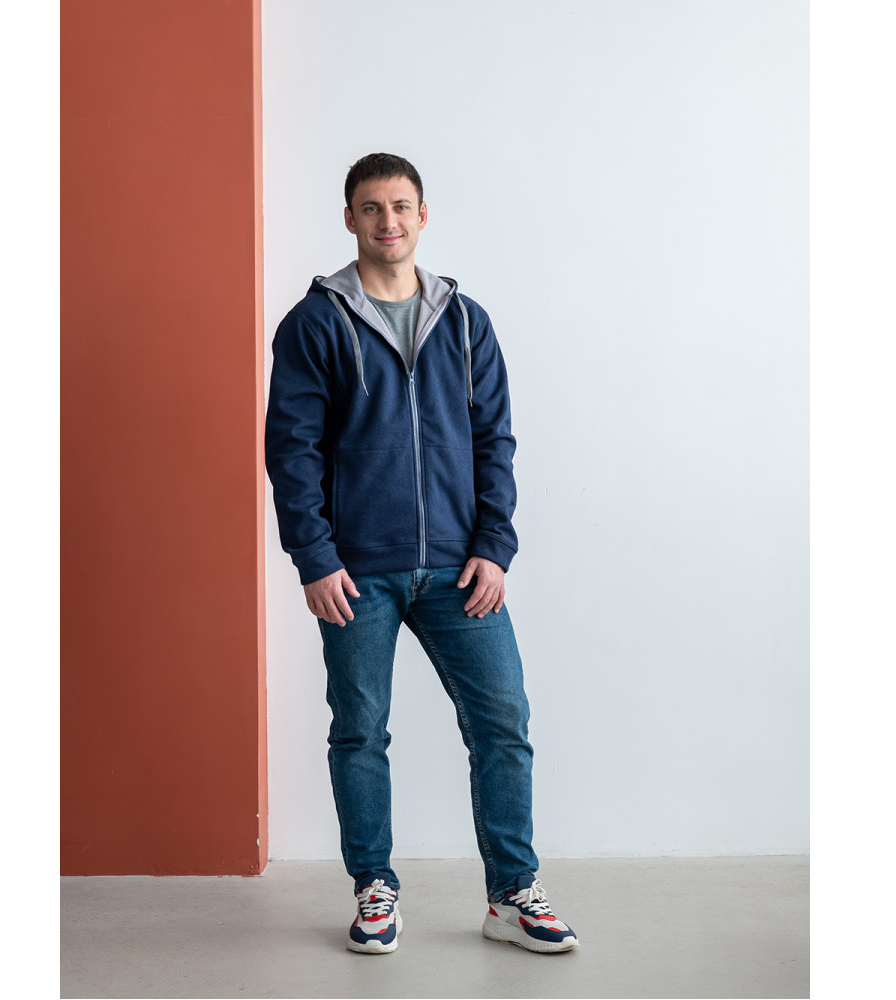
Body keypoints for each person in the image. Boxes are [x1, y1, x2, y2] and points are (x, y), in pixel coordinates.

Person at [264, 153, 578, 955]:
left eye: (400, 205)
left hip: (458, 569)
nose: (388, 221)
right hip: (356, 571)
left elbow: (494, 441)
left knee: (503, 721)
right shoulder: (316, 323)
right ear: (350, 219)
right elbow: (292, 450)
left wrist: (494, 548)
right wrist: (314, 556)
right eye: (371, 208)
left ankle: (512, 895)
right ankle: (374, 888)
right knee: (360, 730)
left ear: (423, 214)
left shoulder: (465, 322)